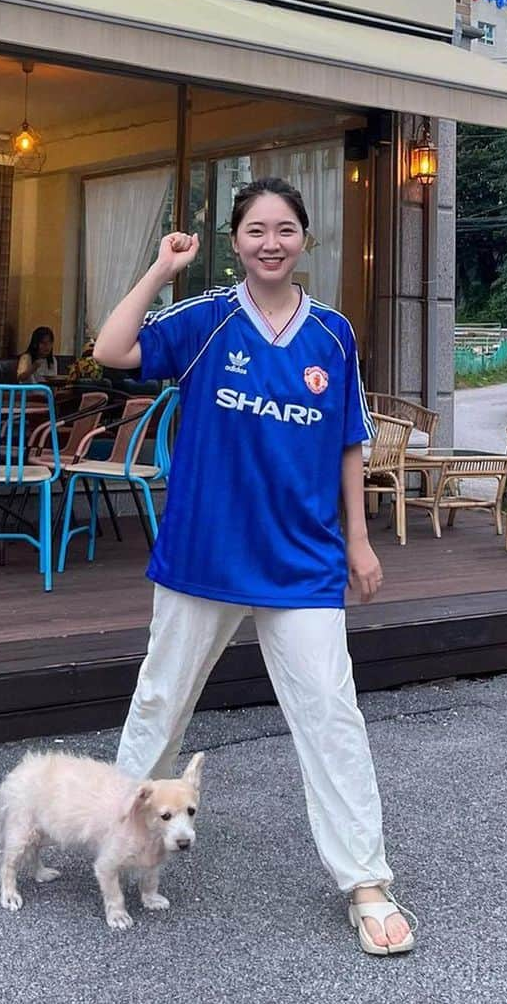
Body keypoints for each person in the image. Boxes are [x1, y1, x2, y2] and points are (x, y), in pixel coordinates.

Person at [93, 176, 414, 955]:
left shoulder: (333, 334)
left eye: (285, 229)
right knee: (160, 703)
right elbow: (112, 350)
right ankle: (115, 846)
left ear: (306, 238)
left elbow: (348, 443)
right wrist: (161, 269)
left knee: (332, 717)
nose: (270, 243)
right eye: (255, 231)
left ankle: (366, 882)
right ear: (234, 241)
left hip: (303, 561)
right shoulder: (202, 319)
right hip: (204, 554)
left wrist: (360, 540)